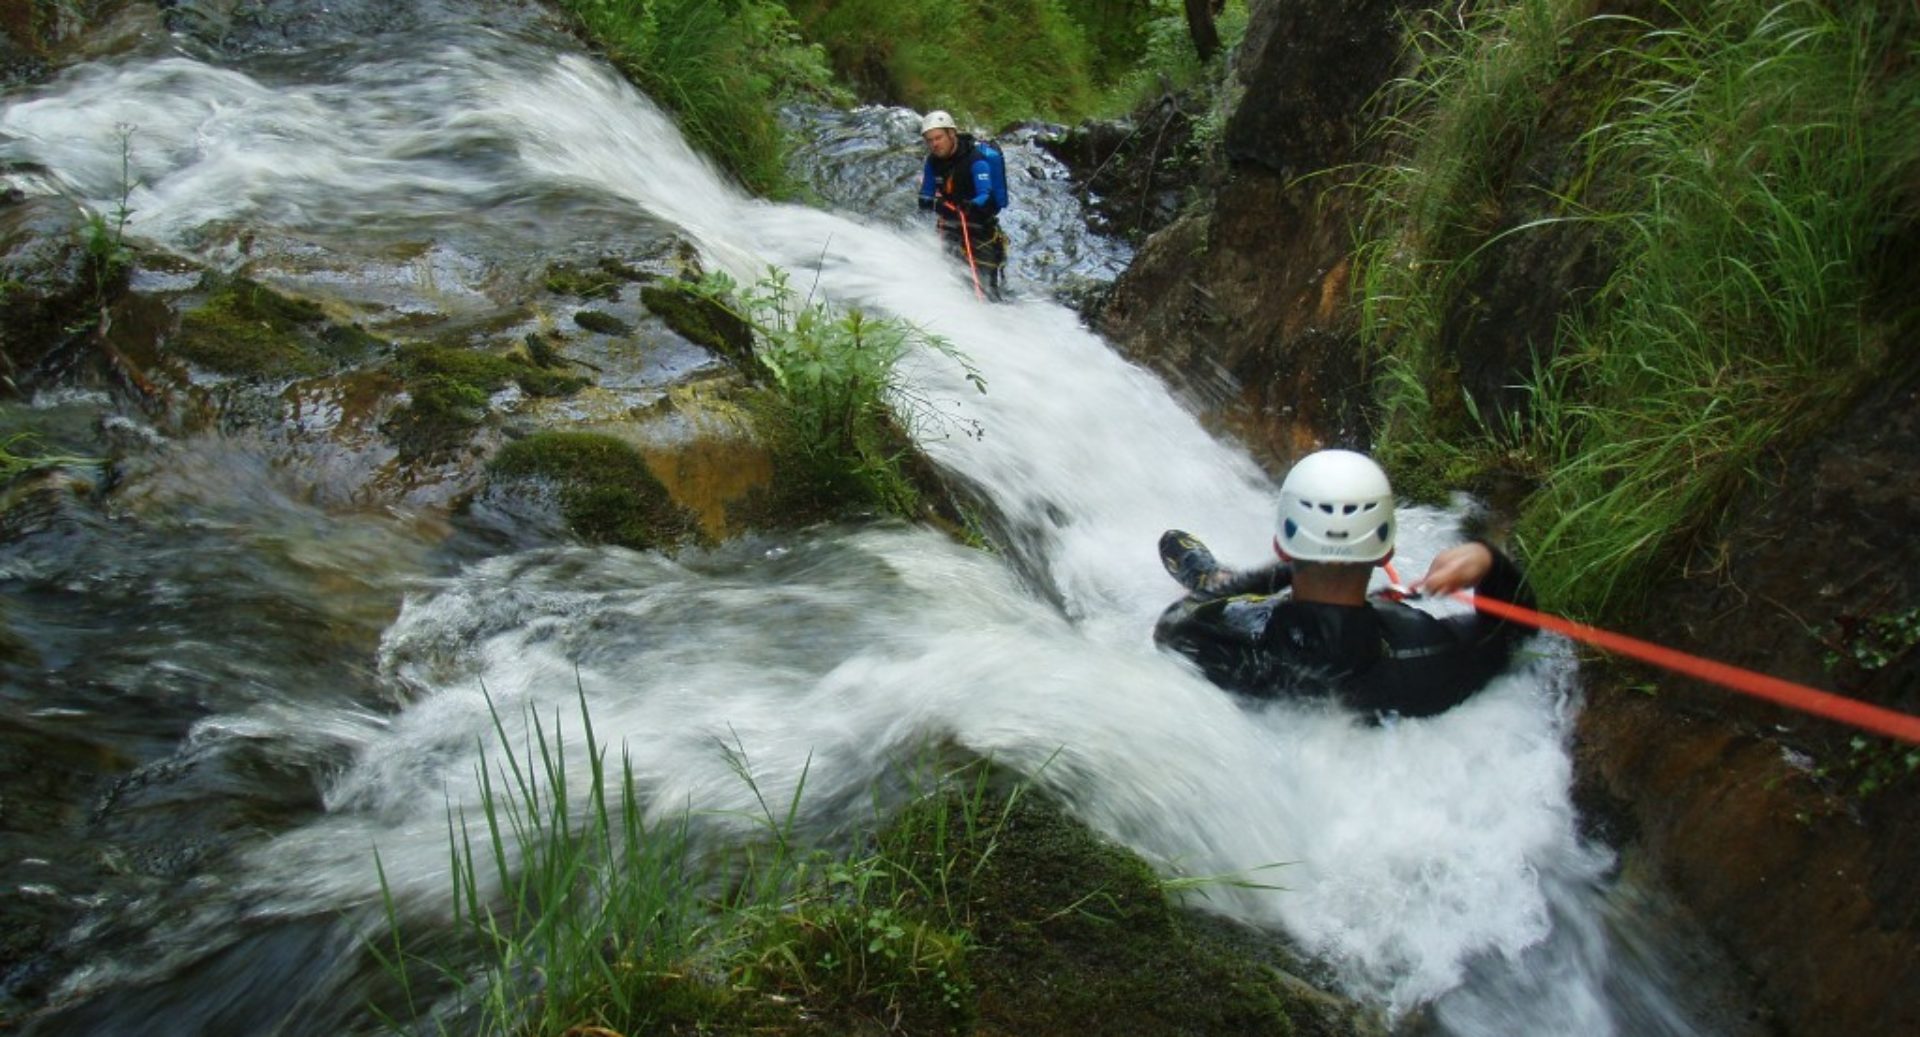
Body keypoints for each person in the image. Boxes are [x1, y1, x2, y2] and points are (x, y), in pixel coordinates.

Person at [1153, 448, 1536, 719]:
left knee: (1209, 578)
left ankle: (1216, 577)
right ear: (1385, 554)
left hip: (1269, 629)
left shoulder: (1222, 641)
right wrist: (1490, 561)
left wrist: (1282, 570)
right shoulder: (1425, 653)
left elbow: (1175, 621)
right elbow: (1515, 631)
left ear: (1281, 548)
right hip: (1368, 666)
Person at [916, 110, 1008, 300]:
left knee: (987, 287)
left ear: (951, 134)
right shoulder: (933, 163)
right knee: (954, 278)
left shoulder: (975, 159)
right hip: (951, 227)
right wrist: (927, 202)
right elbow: (926, 191)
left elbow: (985, 192)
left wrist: (971, 205)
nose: (934, 144)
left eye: (938, 138)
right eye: (930, 140)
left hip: (980, 230)